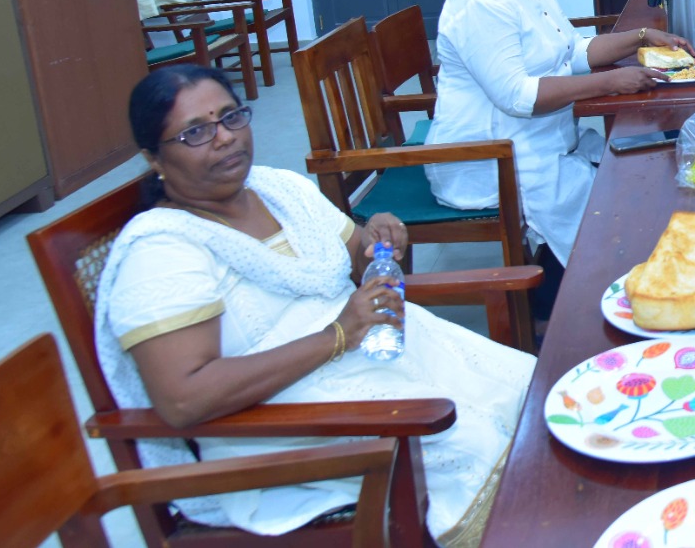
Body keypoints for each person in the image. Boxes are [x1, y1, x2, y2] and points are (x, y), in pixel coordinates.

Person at [96, 65, 534, 546]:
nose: (224, 138)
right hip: (279, 425)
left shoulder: (279, 190)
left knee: (526, 392)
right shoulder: (162, 252)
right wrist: (337, 336)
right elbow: (185, 399)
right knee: (469, 441)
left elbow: (354, 257)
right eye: (196, 131)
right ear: (153, 158)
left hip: (372, 365)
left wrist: (379, 237)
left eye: (231, 117)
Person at [425, 0, 692, 265]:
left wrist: (642, 37)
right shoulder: (479, 3)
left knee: (634, 174)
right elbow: (519, 97)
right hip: (489, 159)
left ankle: (563, 283)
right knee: (612, 220)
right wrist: (609, 82)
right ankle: (562, 301)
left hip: (542, 144)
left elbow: (572, 50)